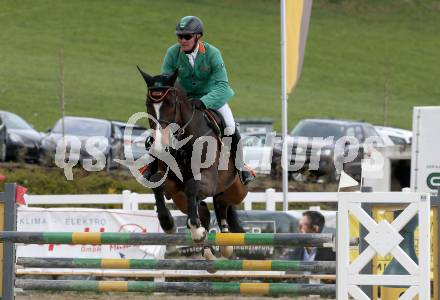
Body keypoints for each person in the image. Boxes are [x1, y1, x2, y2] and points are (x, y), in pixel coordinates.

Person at [143, 16, 254, 185]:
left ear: (198, 36)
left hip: (212, 98)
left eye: (187, 36)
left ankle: (241, 166)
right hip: (184, 101)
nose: (182, 40)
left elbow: (222, 86)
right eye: (180, 36)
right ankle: (153, 166)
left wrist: (204, 101)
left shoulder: (212, 53)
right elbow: (167, 81)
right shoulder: (172, 53)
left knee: (230, 128)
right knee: (162, 128)